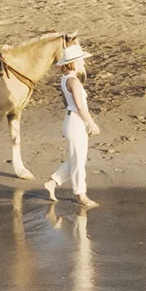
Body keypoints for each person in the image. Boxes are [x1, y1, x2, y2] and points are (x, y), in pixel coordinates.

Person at [44, 43, 99, 207]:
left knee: (77, 158)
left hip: (72, 120)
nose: (83, 63)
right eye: (81, 60)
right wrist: (92, 124)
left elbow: (65, 101)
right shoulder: (74, 80)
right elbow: (80, 106)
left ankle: (53, 182)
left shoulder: (65, 79)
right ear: (74, 63)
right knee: (78, 160)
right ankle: (81, 195)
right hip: (76, 121)